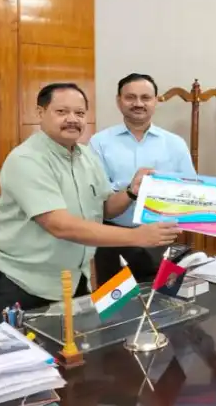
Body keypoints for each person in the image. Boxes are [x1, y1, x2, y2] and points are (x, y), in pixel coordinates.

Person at [0, 82, 180, 318]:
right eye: (61, 112)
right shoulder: (27, 160)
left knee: (69, 351)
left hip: (74, 280)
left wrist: (131, 192)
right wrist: (138, 236)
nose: (72, 119)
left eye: (79, 113)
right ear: (40, 113)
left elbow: (105, 209)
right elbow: (59, 225)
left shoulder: (86, 155)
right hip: (24, 285)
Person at [89, 73, 195, 282]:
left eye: (146, 97)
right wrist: (131, 191)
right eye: (130, 97)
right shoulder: (99, 143)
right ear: (119, 101)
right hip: (114, 241)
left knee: (166, 307)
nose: (138, 103)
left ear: (156, 101)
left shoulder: (175, 144)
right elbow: (100, 207)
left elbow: (190, 196)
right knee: (115, 309)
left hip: (163, 241)